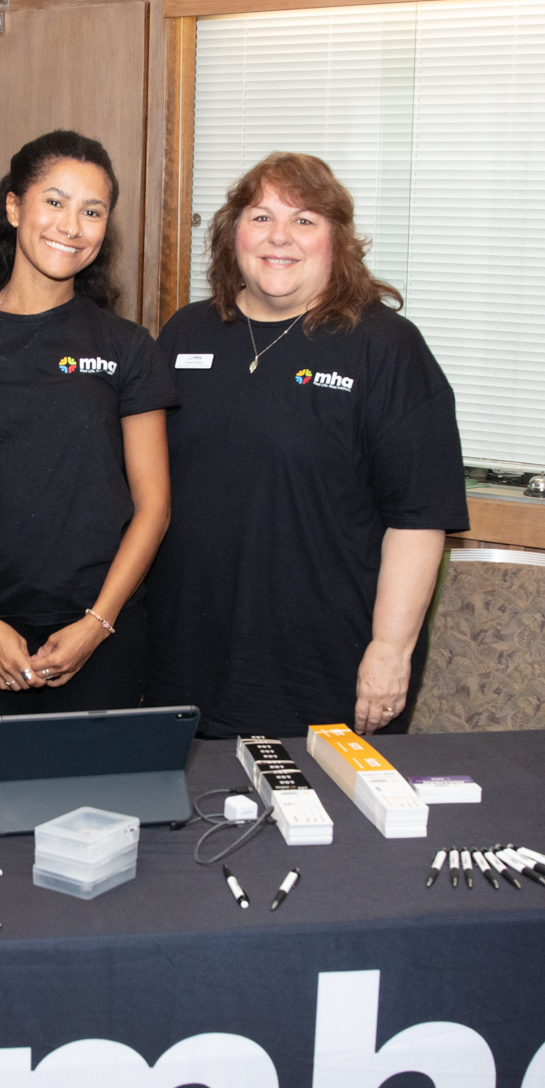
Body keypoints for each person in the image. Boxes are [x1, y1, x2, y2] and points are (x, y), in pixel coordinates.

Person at [147, 151, 468, 740]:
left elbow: (419, 518)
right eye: (260, 216)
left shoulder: (385, 348)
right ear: (231, 232)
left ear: (337, 240)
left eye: (304, 220)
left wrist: (391, 651)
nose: (279, 237)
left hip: (324, 666)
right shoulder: (185, 333)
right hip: (185, 658)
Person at [0, 130, 175, 744]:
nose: (72, 225)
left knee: (98, 820)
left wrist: (97, 625)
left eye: (92, 211)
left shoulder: (126, 348)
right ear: (15, 207)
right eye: (55, 201)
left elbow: (153, 507)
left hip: (102, 636)